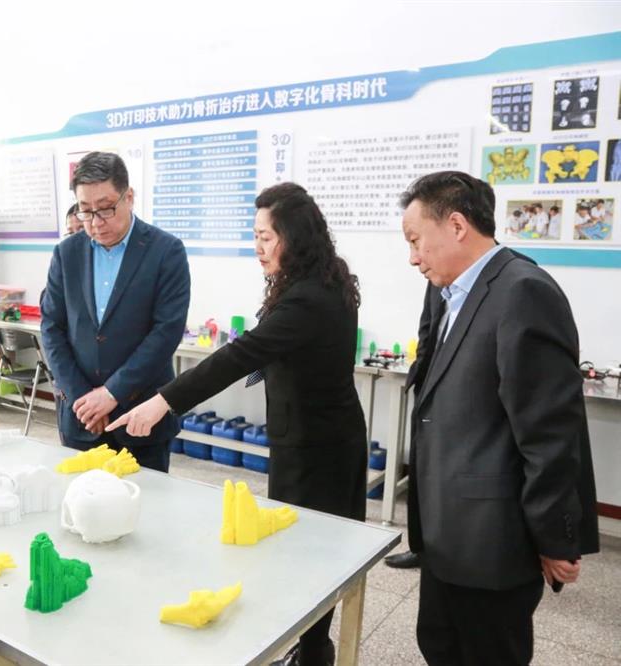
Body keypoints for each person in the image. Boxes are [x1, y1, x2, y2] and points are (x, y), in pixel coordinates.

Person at [109, 182, 367, 666]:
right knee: (307, 550)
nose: (258, 247)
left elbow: (240, 354)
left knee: (313, 554)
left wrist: (162, 402)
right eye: (255, 236)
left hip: (317, 450)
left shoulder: (308, 298)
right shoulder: (321, 281)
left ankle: (315, 653)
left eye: (266, 237)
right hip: (319, 436)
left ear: (295, 237)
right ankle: (311, 647)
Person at [399, 171, 598, 665]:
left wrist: (555, 539)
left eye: (416, 240)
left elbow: (550, 431)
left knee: (489, 653)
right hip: (445, 527)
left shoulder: (523, 291)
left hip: (494, 539)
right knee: (440, 644)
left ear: (457, 226)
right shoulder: (445, 291)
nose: (413, 258)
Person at [40, 151, 190, 473]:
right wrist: (83, 400)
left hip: (140, 419)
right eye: (85, 210)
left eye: (106, 208)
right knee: (79, 499)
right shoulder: (67, 254)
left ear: (129, 197)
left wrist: (111, 394)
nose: (96, 222)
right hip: (82, 418)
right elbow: (52, 328)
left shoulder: (166, 251)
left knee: (147, 502)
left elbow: (166, 333)